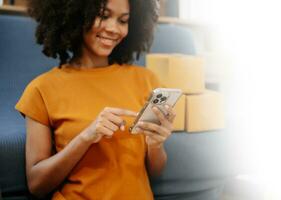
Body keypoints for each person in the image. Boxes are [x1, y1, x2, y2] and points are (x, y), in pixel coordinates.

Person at [15, 0, 176, 199]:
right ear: (75, 15)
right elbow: (37, 184)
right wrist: (86, 137)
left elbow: (155, 171)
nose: (113, 29)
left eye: (123, 20)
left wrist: (155, 145)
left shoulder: (146, 80)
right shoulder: (41, 89)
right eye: (103, 15)